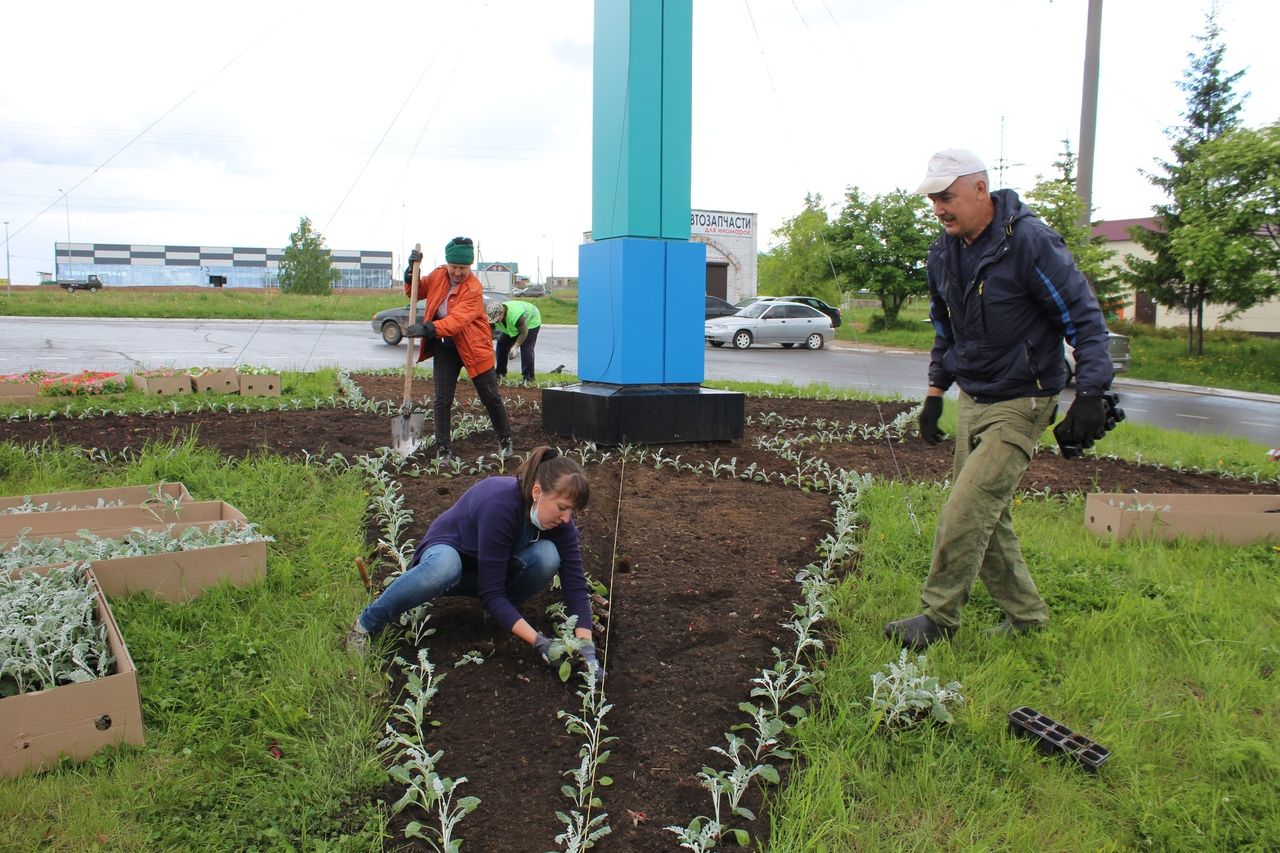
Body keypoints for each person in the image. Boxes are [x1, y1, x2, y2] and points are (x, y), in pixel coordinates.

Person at [884, 149, 1116, 650]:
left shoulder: (1029, 242)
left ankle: (938, 617)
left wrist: (1092, 392)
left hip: (1025, 399)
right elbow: (947, 330)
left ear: (979, 189)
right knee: (990, 512)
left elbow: (1084, 318)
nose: (939, 209)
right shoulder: (944, 253)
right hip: (974, 396)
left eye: (946, 197)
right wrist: (933, 395)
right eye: (933, 200)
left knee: (966, 509)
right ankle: (1027, 618)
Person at [346, 446, 603, 677]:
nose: (567, 518)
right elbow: (492, 593)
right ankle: (366, 624)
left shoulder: (561, 524)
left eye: (573, 511)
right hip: (449, 559)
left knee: (548, 556)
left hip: (490, 569)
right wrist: (539, 642)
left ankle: (504, 614)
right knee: (445, 567)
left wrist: (587, 651)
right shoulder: (501, 505)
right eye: (561, 507)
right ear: (537, 492)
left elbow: (575, 586)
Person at [402, 236, 512, 460]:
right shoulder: (438, 275)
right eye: (455, 267)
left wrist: (427, 329)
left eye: (463, 268)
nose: (459, 272)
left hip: (473, 347)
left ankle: (506, 441)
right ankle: (444, 450)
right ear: (448, 264)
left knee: (490, 396)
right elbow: (416, 290)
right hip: (445, 347)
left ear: (470, 266)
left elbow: (457, 321)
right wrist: (411, 272)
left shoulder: (473, 289)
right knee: (442, 399)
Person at [488, 299, 542, 384]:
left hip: (531, 320)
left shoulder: (515, 316)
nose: (495, 321)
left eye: (497, 318)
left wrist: (516, 346)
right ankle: (500, 373)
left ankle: (528, 377)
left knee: (526, 347)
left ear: (502, 312)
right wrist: (488, 342)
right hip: (513, 325)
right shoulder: (493, 315)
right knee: (501, 344)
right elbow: (491, 329)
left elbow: (524, 333)